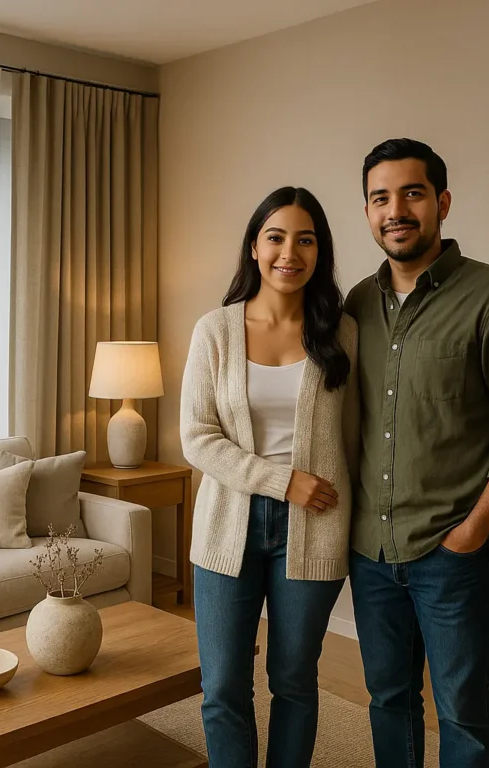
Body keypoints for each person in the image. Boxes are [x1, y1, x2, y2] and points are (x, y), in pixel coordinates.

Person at [180, 186, 359, 767]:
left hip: (317, 527)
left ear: (320, 251)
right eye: (276, 237)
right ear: (254, 248)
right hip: (226, 527)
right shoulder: (216, 330)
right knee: (224, 686)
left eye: (305, 239)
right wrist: (284, 483)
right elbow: (197, 437)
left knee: (294, 681)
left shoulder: (344, 332)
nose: (290, 252)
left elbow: (358, 437)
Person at [345, 137, 489, 768]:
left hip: (453, 554)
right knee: (388, 699)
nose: (396, 210)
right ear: (367, 212)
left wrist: (472, 532)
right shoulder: (355, 305)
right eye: (380, 197)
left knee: (464, 711)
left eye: (412, 193)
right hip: (371, 551)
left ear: (441, 201)